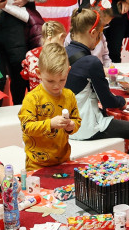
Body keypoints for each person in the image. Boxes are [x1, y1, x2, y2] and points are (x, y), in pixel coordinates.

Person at [66, 7, 129, 158]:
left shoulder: (65, 51)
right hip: (86, 127)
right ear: (93, 33)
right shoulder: (91, 62)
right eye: (100, 35)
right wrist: (122, 101)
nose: (100, 39)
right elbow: (107, 101)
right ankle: (126, 173)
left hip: (67, 124)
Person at [19, 43, 82, 171]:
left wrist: (72, 126)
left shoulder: (69, 96)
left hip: (63, 160)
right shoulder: (32, 98)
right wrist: (50, 124)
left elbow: (77, 120)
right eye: (50, 81)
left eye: (62, 80)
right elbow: (27, 127)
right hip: (36, 164)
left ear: (68, 71)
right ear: (39, 73)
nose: (56, 86)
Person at [22, 20, 67, 91]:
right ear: (61, 37)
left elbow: (24, 74)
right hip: (54, 95)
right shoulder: (60, 55)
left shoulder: (30, 54)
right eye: (63, 40)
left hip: (35, 96)